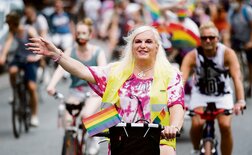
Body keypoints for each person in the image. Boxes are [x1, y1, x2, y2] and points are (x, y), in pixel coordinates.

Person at [26, 25, 185, 155]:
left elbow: (177, 106)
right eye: (138, 42)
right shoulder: (116, 70)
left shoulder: (170, 74)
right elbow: (83, 71)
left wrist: (174, 127)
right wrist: (56, 54)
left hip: (158, 140)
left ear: (157, 47)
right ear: (131, 47)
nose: (143, 45)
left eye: (148, 41)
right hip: (122, 141)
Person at [181, 21, 246, 155]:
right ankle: (195, 149)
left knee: (225, 125)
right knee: (196, 125)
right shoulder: (192, 56)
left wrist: (240, 101)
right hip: (200, 94)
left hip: (222, 94)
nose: (208, 40)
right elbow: (180, 80)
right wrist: (177, 101)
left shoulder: (227, 54)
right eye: (204, 38)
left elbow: (237, 78)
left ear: (218, 38)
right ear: (200, 39)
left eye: (211, 37)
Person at [46, 18, 106, 155]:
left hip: (94, 92)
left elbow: (103, 72)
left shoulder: (98, 52)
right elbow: (61, 69)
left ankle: (93, 140)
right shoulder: (70, 51)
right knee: (68, 121)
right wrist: (51, 85)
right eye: (78, 33)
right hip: (76, 92)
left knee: (86, 116)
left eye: (84, 33)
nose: (80, 36)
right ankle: (72, 143)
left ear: (90, 35)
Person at [0, 12, 41, 126]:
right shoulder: (12, 32)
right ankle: (15, 93)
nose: (8, 26)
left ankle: (34, 115)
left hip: (30, 59)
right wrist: (2, 57)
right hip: (19, 58)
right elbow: (8, 44)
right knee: (12, 71)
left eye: (9, 24)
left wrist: (37, 57)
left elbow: (40, 45)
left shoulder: (29, 30)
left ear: (14, 23)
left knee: (32, 87)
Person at [228, 0, 252, 98]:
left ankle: (250, 86)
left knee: (250, 65)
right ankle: (239, 89)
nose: (232, 3)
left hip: (249, 40)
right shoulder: (231, 12)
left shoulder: (248, 11)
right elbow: (229, 28)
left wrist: (251, 42)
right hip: (238, 40)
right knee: (236, 65)